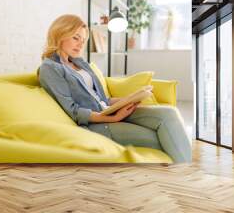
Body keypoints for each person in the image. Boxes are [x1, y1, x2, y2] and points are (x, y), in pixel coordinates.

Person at [38, 14, 192, 163]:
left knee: (169, 113)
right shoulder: (50, 68)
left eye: (83, 40)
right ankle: (187, 178)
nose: (80, 44)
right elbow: (73, 111)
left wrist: (129, 99)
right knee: (164, 137)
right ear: (59, 34)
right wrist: (112, 118)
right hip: (95, 123)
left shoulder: (80, 63)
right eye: (75, 38)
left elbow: (102, 100)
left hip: (110, 110)